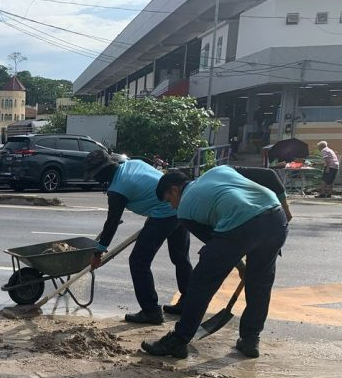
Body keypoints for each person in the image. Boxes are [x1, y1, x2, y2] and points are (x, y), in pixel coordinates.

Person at [141, 165, 291, 359]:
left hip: (241, 224)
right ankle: (250, 339)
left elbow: (217, 243)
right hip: (276, 218)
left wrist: (240, 266)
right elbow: (269, 175)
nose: (172, 206)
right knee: (260, 285)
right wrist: (285, 209)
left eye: (170, 200)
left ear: (174, 189)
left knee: (201, 283)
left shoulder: (185, 210)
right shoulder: (219, 170)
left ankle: (179, 340)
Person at [84, 150, 191, 324]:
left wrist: (98, 252)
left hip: (164, 213)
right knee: (180, 257)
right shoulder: (132, 164)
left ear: (103, 172)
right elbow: (151, 185)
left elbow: (111, 224)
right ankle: (188, 302)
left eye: (96, 176)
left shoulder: (118, 189)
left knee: (138, 261)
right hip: (179, 206)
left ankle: (151, 311)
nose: (96, 180)